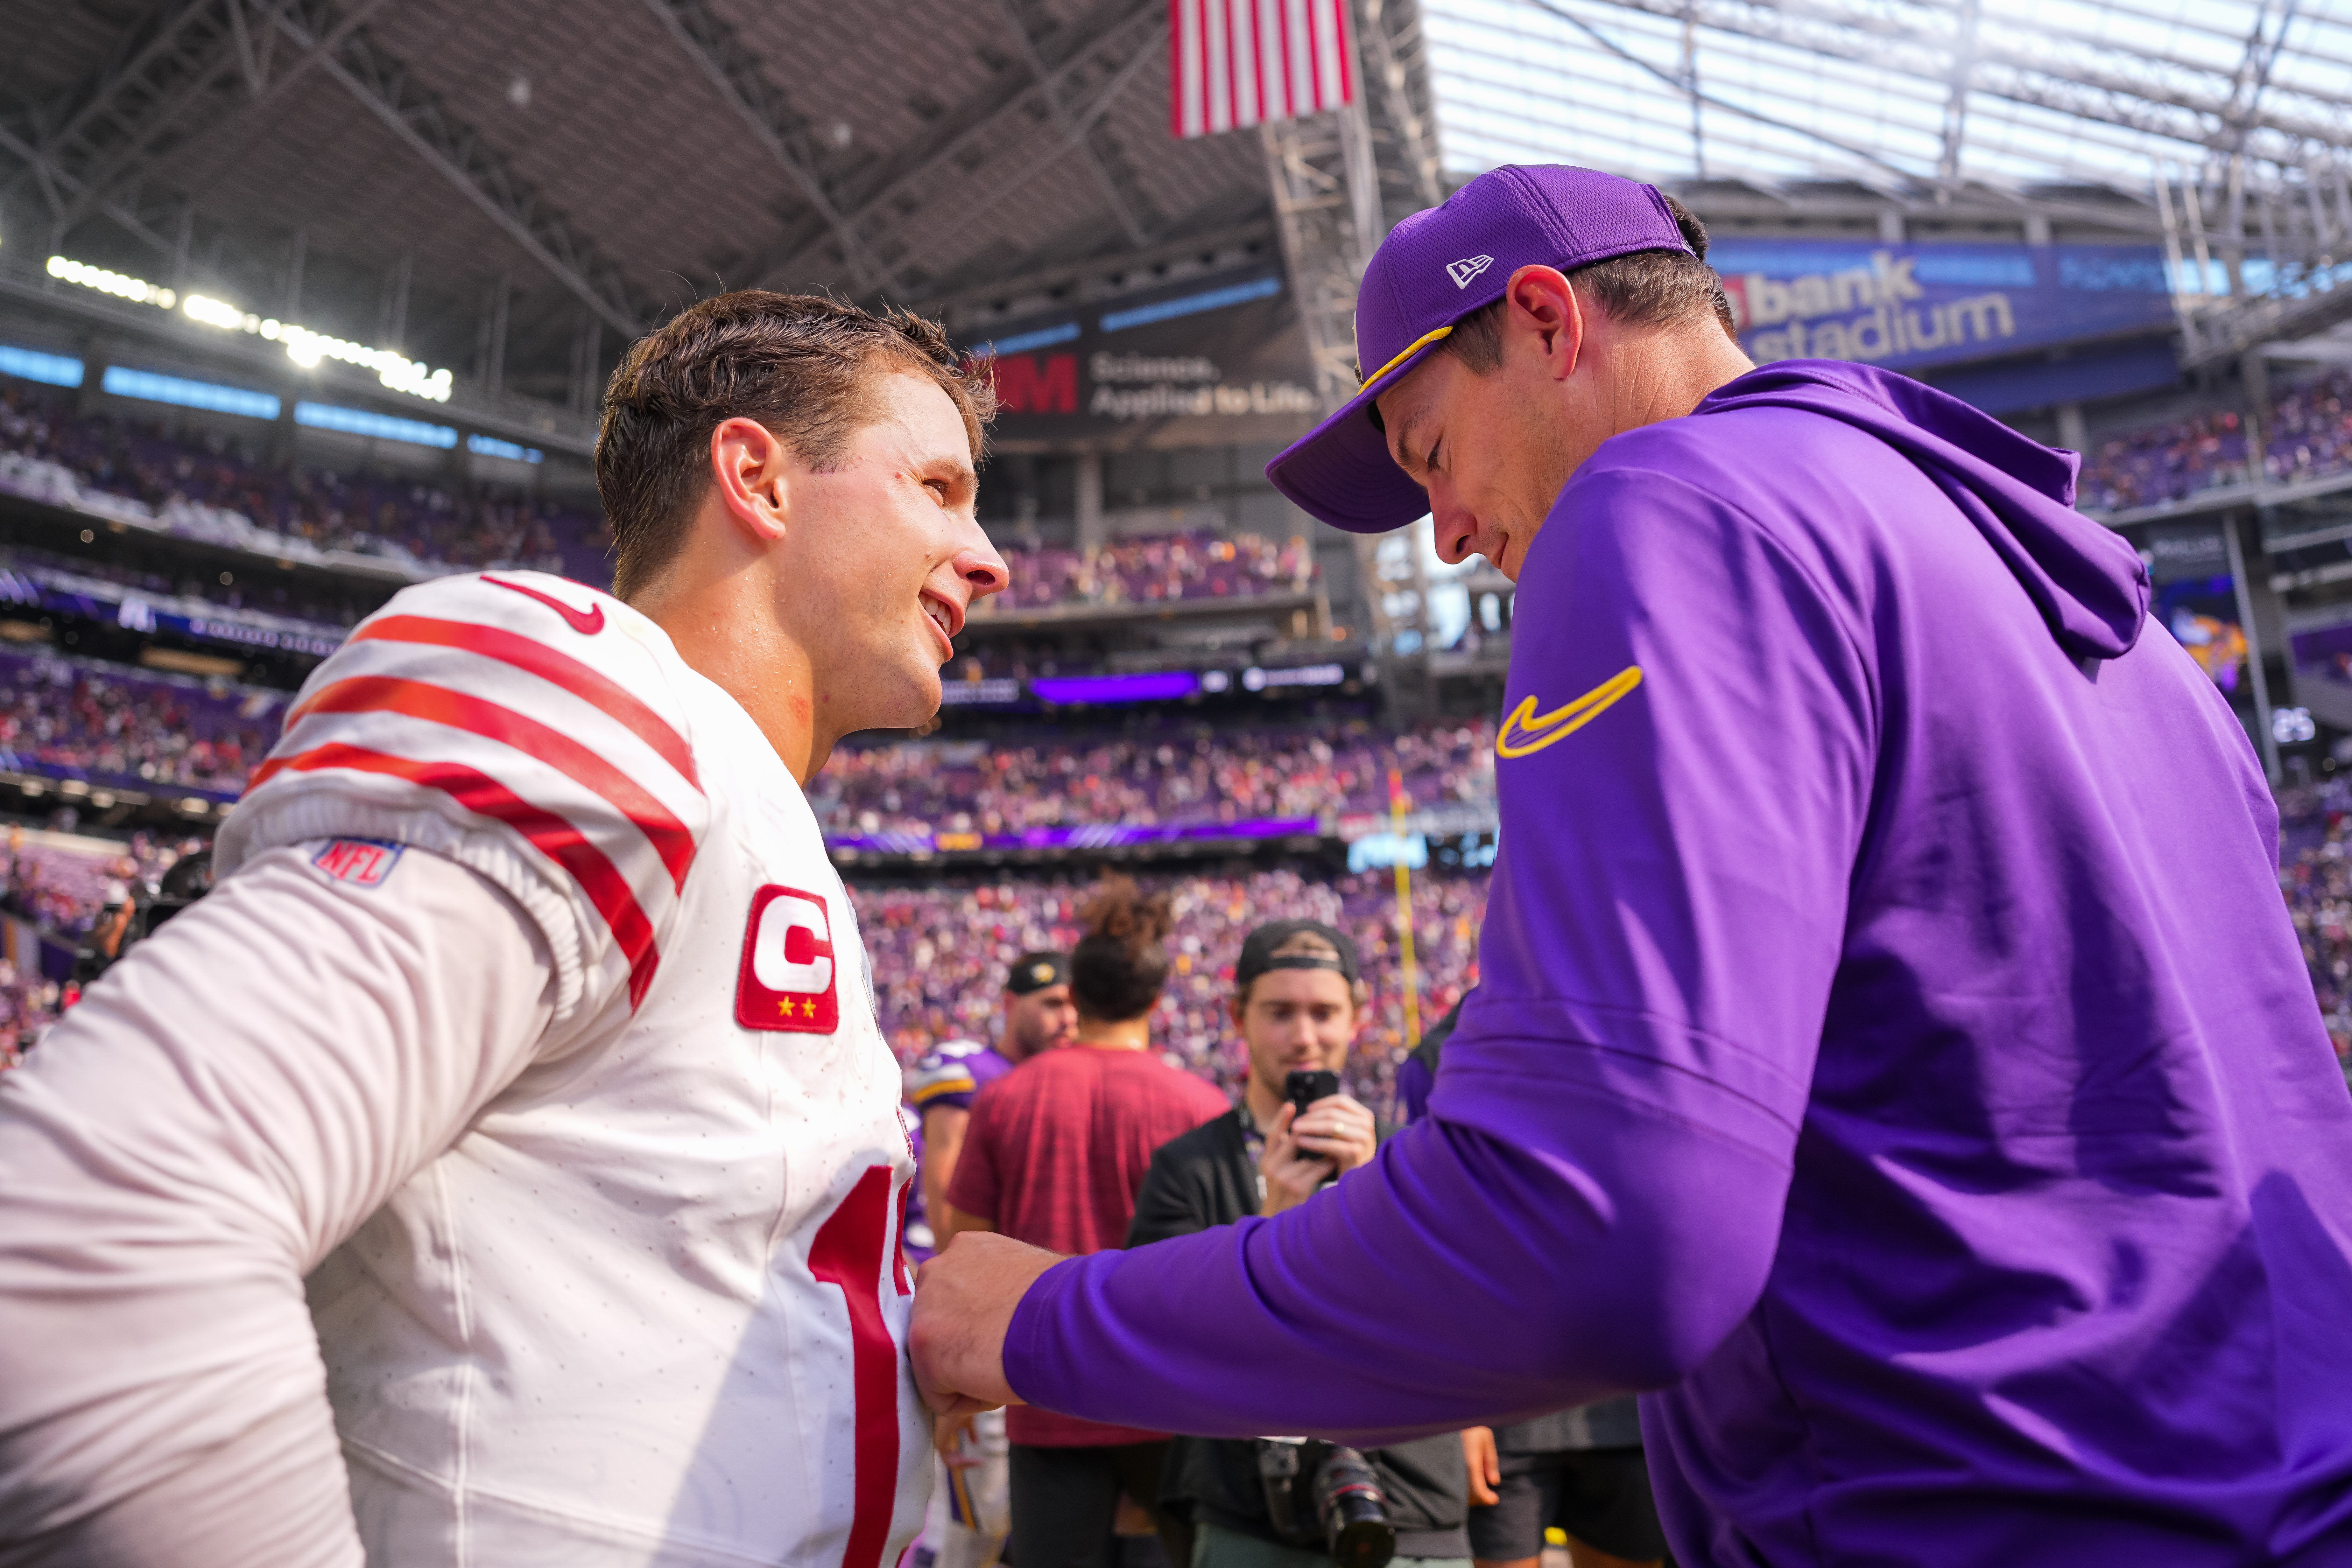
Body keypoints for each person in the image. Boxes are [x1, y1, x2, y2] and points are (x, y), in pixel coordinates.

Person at [911, 163, 2352, 1566]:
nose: (1453, 532)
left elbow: (1602, 1238)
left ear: (1544, 322)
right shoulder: (2094, 607)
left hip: (1970, 1502)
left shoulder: (1662, 501)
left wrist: (1041, 1321)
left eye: (1430, 457)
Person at [0, 290, 1011, 1564]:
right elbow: (114, 1209)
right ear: (755, 477)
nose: (988, 555)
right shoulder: (603, 695)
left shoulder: (734, 801)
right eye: (935, 484)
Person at [1126, 920, 1469, 1568]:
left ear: (1357, 1018)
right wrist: (1272, 1228)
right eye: (1280, 1013)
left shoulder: (1417, 1156)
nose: (1305, 1036)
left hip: (1408, 1500)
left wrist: (1372, 1195)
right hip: (1248, 1505)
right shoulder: (1186, 1167)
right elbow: (1175, 1338)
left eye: (1323, 1012)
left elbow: (1455, 1324)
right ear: (1238, 1017)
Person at [941, 877, 1227, 1568]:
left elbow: (966, 1242)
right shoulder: (1199, 1102)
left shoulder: (1006, 1098)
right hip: (1164, 1396)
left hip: (1043, 1384)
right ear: (1158, 1000)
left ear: (1078, 998)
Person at [1411, 999, 1666, 1568]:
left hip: (1626, 1400)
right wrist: (1457, 1407)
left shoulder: (1639, 1028)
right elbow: (1433, 1237)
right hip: (1504, 1404)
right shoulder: (1443, 1051)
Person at [906, 951, 1075, 1568]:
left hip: (1018, 1299)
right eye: (1051, 1002)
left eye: (1074, 1004)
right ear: (1008, 1005)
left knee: (997, 1515)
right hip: (966, 1294)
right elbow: (950, 1203)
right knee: (980, 1513)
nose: (1067, 1018)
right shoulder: (967, 1069)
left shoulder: (1061, 1077)